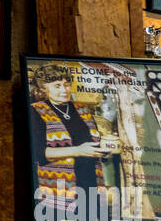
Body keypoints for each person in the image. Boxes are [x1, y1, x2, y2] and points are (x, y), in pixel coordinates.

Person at [27, 64, 116, 206]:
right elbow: (38, 153)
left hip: (92, 186)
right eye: (57, 86)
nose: (64, 90)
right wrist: (78, 151)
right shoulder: (36, 111)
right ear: (44, 88)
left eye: (66, 84)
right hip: (59, 192)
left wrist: (105, 148)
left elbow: (92, 142)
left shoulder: (83, 110)